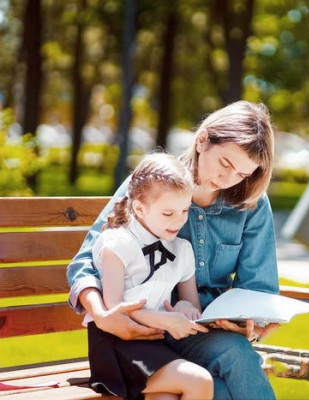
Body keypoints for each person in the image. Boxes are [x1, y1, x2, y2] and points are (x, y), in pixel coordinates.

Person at [68, 100, 280, 399]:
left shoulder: (250, 203)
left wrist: (251, 323)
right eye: (225, 164)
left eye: (243, 174)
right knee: (219, 384)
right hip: (144, 327)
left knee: (234, 357)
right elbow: (88, 258)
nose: (229, 179)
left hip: (203, 330)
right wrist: (103, 314)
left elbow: (258, 287)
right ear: (203, 140)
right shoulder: (154, 183)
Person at [85, 152, 213, 400]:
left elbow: (191, 303)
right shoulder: (117, 244)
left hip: (155, 346)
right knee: (200, 381)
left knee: (166, 397)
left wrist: (184, 307)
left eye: (185, 210)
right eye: (168, 213)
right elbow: (115, 309)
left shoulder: (182, 250)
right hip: (117, 346)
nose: (179, 221)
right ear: (140, 209)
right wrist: (165, 321)